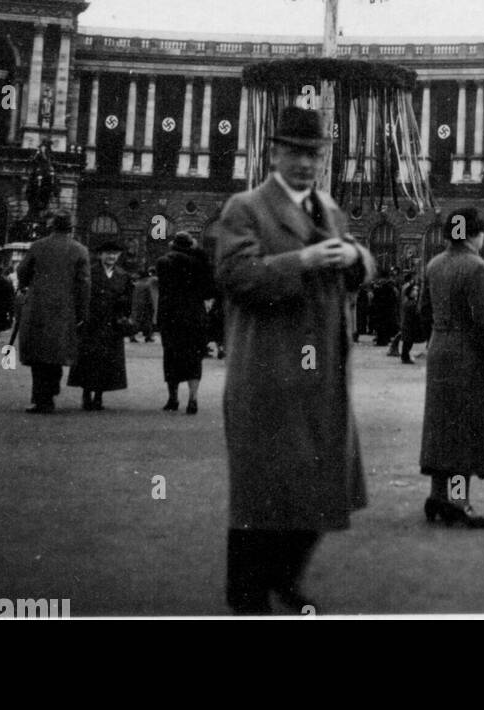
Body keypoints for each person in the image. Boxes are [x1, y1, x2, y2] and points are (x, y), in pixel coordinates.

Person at [214, 106, 376, 616]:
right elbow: (234, 275)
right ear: (274, 152)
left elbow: (358, 258)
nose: (307, 163)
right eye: (296, 152)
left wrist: (358, 261)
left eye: (315, 153)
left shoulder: (329, 207)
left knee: (320, 486)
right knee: (261, 497)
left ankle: (285, 577)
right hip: (268, 370)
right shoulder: (245, 207)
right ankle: (248, 597)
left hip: (320, 374)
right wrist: (298, 262)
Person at [420, 207, 484, 528]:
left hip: (439, 350)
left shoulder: (434, 265)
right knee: (464, 431)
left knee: (442, 426)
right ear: (475, 234)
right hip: (469, 356)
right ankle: (459, 502)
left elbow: (423, 312)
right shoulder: (477, 268)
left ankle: (437, 496)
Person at [17, 213, 91, 414]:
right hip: (65, 309)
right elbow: (84, 285)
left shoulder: (37, 246)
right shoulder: (80, 250)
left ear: (51, 226)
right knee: (56, 352)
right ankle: (50, 392)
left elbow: (22, 271)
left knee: (39, 353)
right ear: (71, 228)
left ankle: (42, 397)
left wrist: (27, 286)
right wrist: (82, 313)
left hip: (38, 306)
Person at [70, 244, 133, 411]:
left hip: (112, 324)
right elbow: (79, 294)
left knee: (106, 362)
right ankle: (86, 394)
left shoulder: (123, 275)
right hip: (92, 323)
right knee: (89, 360)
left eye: (115, 253)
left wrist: (123, 314)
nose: (111, 256)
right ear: (100, 255)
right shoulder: (90, 272)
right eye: (107, 253)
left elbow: (128, 299)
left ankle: (98, 396)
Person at [156, 232, 214, 413]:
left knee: (171, 357)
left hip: (170, 316)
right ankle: (193, 400)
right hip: (194, 316)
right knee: (194, 358)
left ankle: (173, 399)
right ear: (191, 245)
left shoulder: (163, 262)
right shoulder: (199, 264)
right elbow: (209, 289)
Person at [399, 279, 423, 364]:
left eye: (417, 290)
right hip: (409, 326)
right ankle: (405, 357)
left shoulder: (410, 302)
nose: (415, 292)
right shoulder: (411, 303)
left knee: (408, 342)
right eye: (414, 290)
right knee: (408, 342)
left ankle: (405, 356)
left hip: (409, 326)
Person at [130, 269, 158, 343]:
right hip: (145, 306)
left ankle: (132, 336)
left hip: (136, 305)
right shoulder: (146, 285)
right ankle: (148, 337)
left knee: (136, 321)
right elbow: (149, 297)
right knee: (148, 321)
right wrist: (152, 306)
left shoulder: (136, 284)